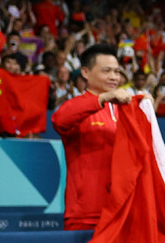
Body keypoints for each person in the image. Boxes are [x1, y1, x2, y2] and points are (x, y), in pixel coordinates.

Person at [52, 43, 137, 230]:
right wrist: (101, 99)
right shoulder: (77, 106)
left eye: (117, 71)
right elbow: (59, 120)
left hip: (123, 210)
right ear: (85, 72)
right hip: (87, 214)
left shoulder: (123, 110)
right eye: (107, 71)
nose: (114, 77)